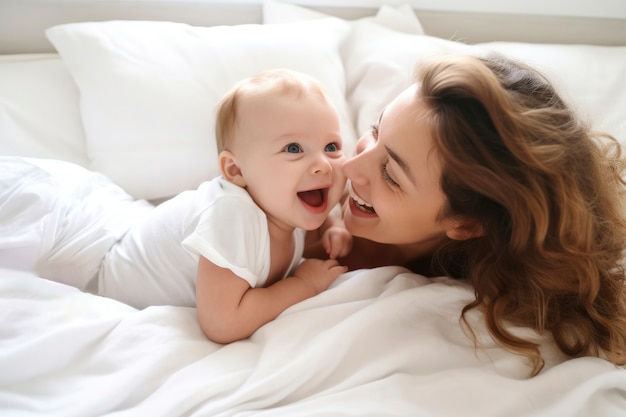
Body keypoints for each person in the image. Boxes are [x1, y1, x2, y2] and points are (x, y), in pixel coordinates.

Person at [333, 53, 626, 376]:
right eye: (376, 130)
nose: (349, 167)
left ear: (466, 223)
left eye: (390, 174)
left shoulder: (446, 312)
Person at [89, 68, 350, 343]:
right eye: (293, 149)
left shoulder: (284, 202)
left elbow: (277, 246)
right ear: (236, 170)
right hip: (112, 283)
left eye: (332, 146)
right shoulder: (232, 216)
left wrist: (332, 227)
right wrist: (303, 285)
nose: (323, 165)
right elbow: (223, 323)